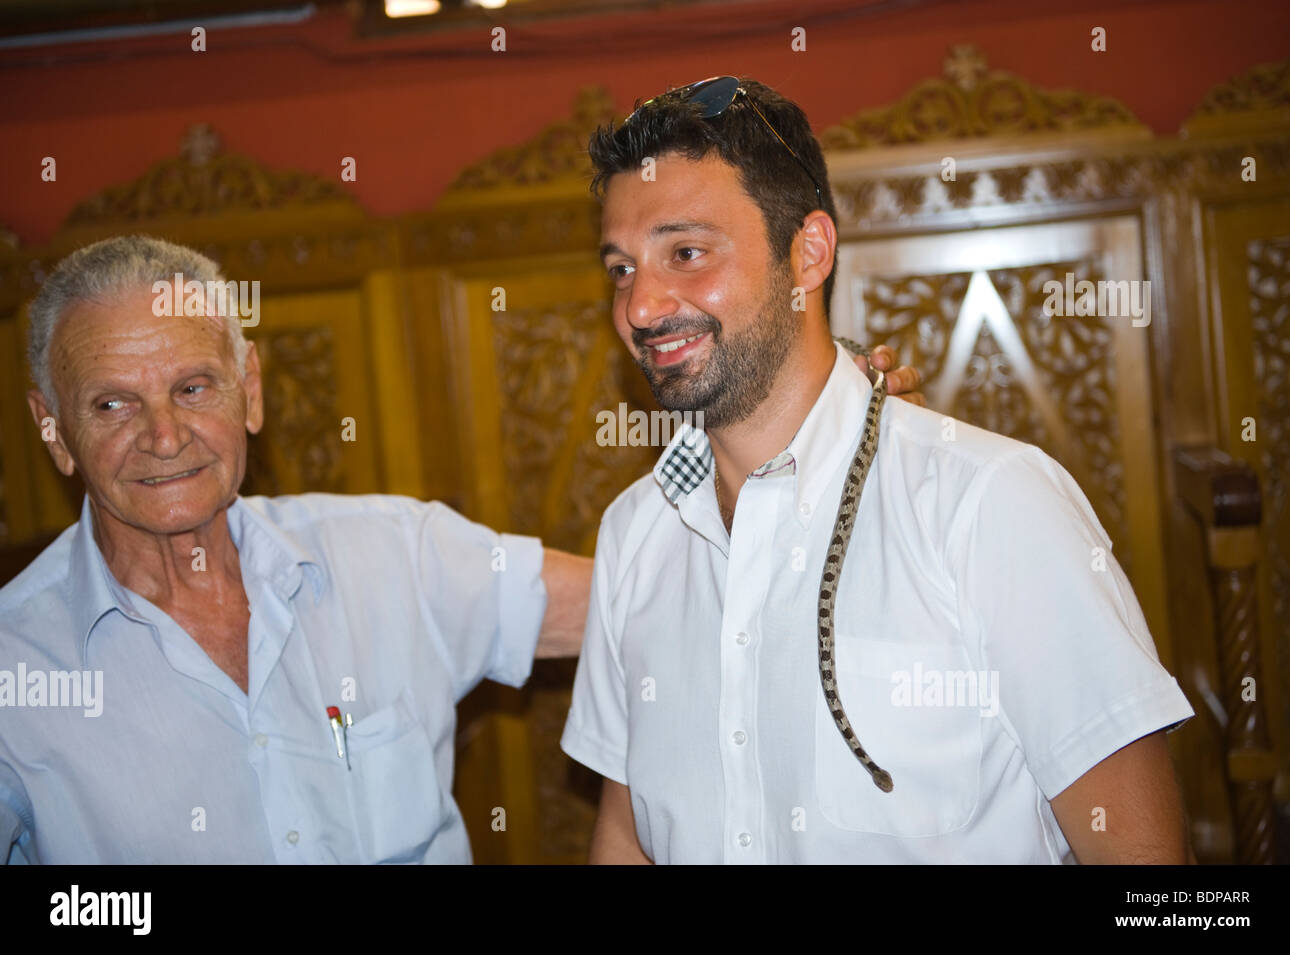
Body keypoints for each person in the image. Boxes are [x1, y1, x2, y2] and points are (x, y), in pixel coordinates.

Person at [0, 234, 922, 863]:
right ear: (52, 429)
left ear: (251, 390)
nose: (165, 436)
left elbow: (659, 599)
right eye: (113, 403)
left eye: (194, 387)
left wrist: (819, 449)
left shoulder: (393, 556)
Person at [560, 76, 1196, 864]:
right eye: (622, 269)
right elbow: (626, 833)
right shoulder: (634, 534)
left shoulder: (988, 503)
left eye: (686, 253)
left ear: (809, 253)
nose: (641, 307)